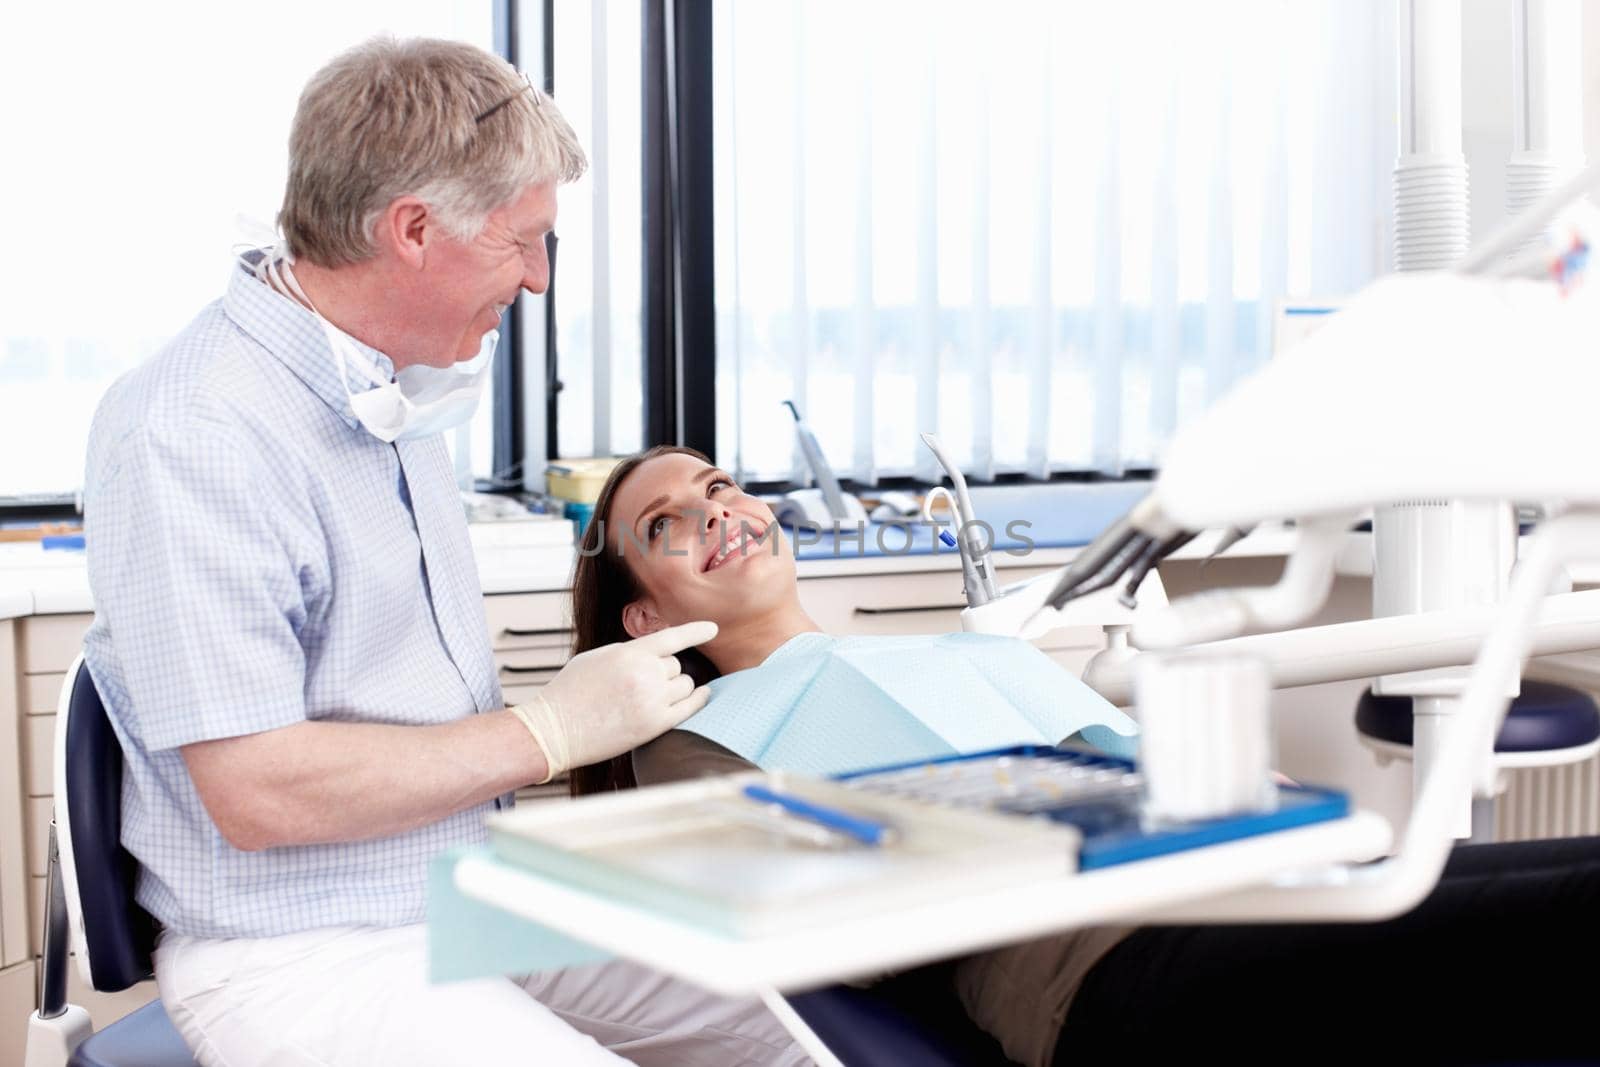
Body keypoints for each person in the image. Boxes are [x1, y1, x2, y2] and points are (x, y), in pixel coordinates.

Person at [83, 40, 805, 1067]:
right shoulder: (198, 433)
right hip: (307, 946)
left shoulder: (390, 390)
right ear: (412, 229)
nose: (540, 278)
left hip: (466, 891)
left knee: (812, 1032)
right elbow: (259, 790)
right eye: (525, 243)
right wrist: (549, 726)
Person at [569, 445, 1600, 1064]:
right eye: (669, 522)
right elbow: (815, 920)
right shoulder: (693, 744)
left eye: (721, 487)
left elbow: (1126, 756)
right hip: (1118, 967)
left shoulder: (940, 658)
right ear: (645, 609)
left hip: (1263, 880)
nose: (717, 512)